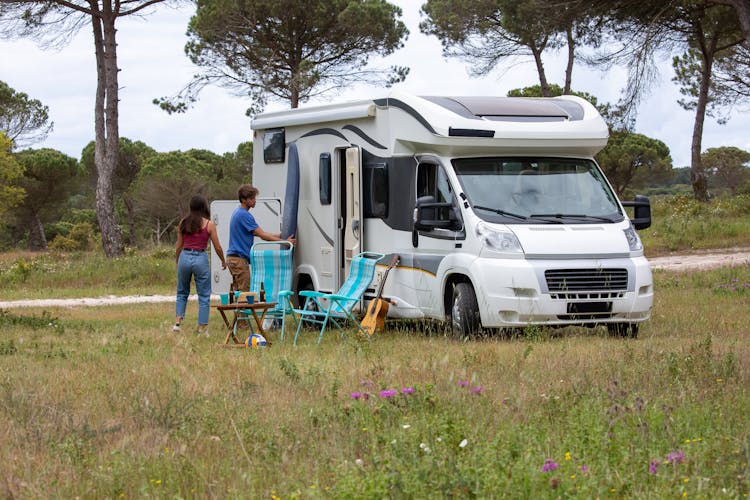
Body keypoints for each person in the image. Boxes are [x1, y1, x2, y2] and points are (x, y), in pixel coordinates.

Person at [226, 184, 296, 294]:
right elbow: (263, 235)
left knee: (239, 293)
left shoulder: (238, 212)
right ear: (243, 200)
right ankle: (242, 311)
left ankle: (238, 311)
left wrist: (281, 236)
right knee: (245, 294)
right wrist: (285, 242)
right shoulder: (244, 215)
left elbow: (259, 233)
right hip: (238, 260)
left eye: (254, 198)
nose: (254, 201)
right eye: (251, 198)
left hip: (233, 259)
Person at [174, 195, 227, 335]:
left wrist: (178, 260)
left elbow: (179, 246)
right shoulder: (209, 224)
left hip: (185, 256)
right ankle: (202, 328)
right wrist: (223, 260)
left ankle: (178, 322)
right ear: (204, 207)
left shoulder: (183, 223)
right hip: (200, 258)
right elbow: (217, 247)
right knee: (203, 295)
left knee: (181, 292)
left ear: (191, 207)